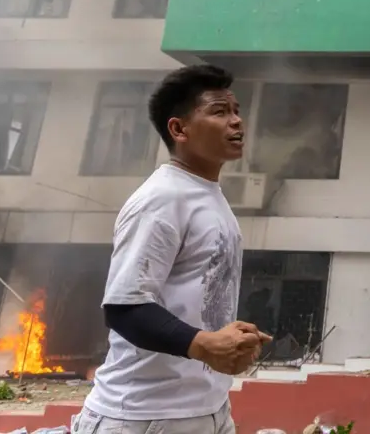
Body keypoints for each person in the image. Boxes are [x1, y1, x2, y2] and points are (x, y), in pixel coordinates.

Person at [74, 65, 271, 434]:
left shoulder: (209, 196)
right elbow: (125, 308)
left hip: (208, 410)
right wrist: (204, 343)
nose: (237, 122)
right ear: (179, 129)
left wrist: (224, 334)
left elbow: (188, 299)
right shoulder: (162, 199)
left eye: (236, 110)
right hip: (143, 416)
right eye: (219, 111)